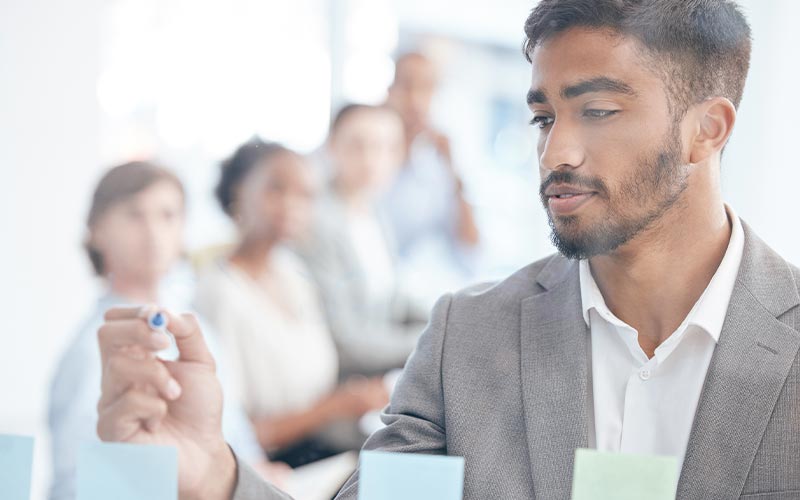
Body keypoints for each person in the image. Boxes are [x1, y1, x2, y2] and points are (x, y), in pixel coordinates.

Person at [92, 1, 800, 499]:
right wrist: (215, 475)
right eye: (544, 116)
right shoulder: (470, 335)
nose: (557, 151)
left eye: (598, 111)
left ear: (707, 130)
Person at [47, 161, 275, 500]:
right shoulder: (92, 352)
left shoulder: (196, 330)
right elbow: (74, 487)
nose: (153, 232)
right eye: (134, 215)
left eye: (168, 215)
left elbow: (236, 434)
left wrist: (262, 478)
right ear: (96, 230)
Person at [194, 138, 388, 468]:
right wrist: (335, 406)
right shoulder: (221, 293)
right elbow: (234, 434)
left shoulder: (293, 273)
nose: (292, 205)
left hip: (322, 452)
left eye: (306, 195)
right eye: (277, 189)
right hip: (271, 468)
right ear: (240, 192)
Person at [294, 104, 428, 377]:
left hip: (381, 366)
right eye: (358, 146)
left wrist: (447, 318)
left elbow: (392, 298)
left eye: (385, 148)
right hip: (345, 381)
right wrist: (430, 339)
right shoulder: (317, 222)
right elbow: (345, 343)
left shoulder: (374, 209)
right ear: (332, 146)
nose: (371, 160)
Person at [381, 52, 481, 277]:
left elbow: (471, 248)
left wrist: (451, 166)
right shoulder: (366, 152)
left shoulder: (436, 165)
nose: (415, 100)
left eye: (426, 88)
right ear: (389, 91)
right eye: (406, 86)